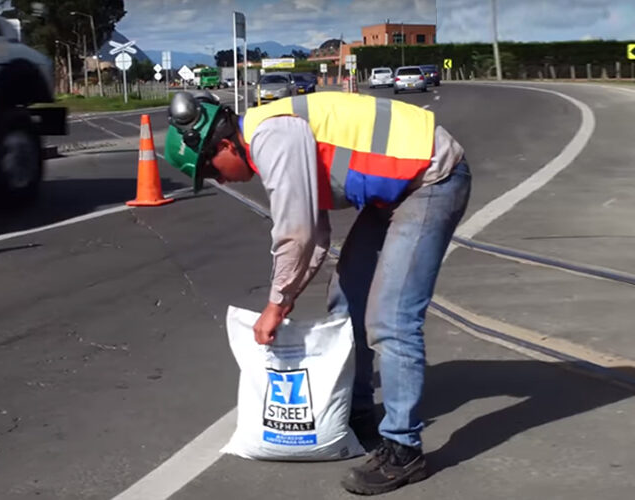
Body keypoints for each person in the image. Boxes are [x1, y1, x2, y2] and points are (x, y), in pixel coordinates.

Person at [163, 90, 471, 495]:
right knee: (346, 298)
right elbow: (317, 235)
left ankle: (403, 448)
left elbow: (297, 233)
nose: (221, 180)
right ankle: (359, 412)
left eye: (213, 172)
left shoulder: (271, 137)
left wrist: (276, 306)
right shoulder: (269, 136)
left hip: (433, 178)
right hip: (396, 191)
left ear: (222, 145)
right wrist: (286, 297)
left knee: (391, 318)